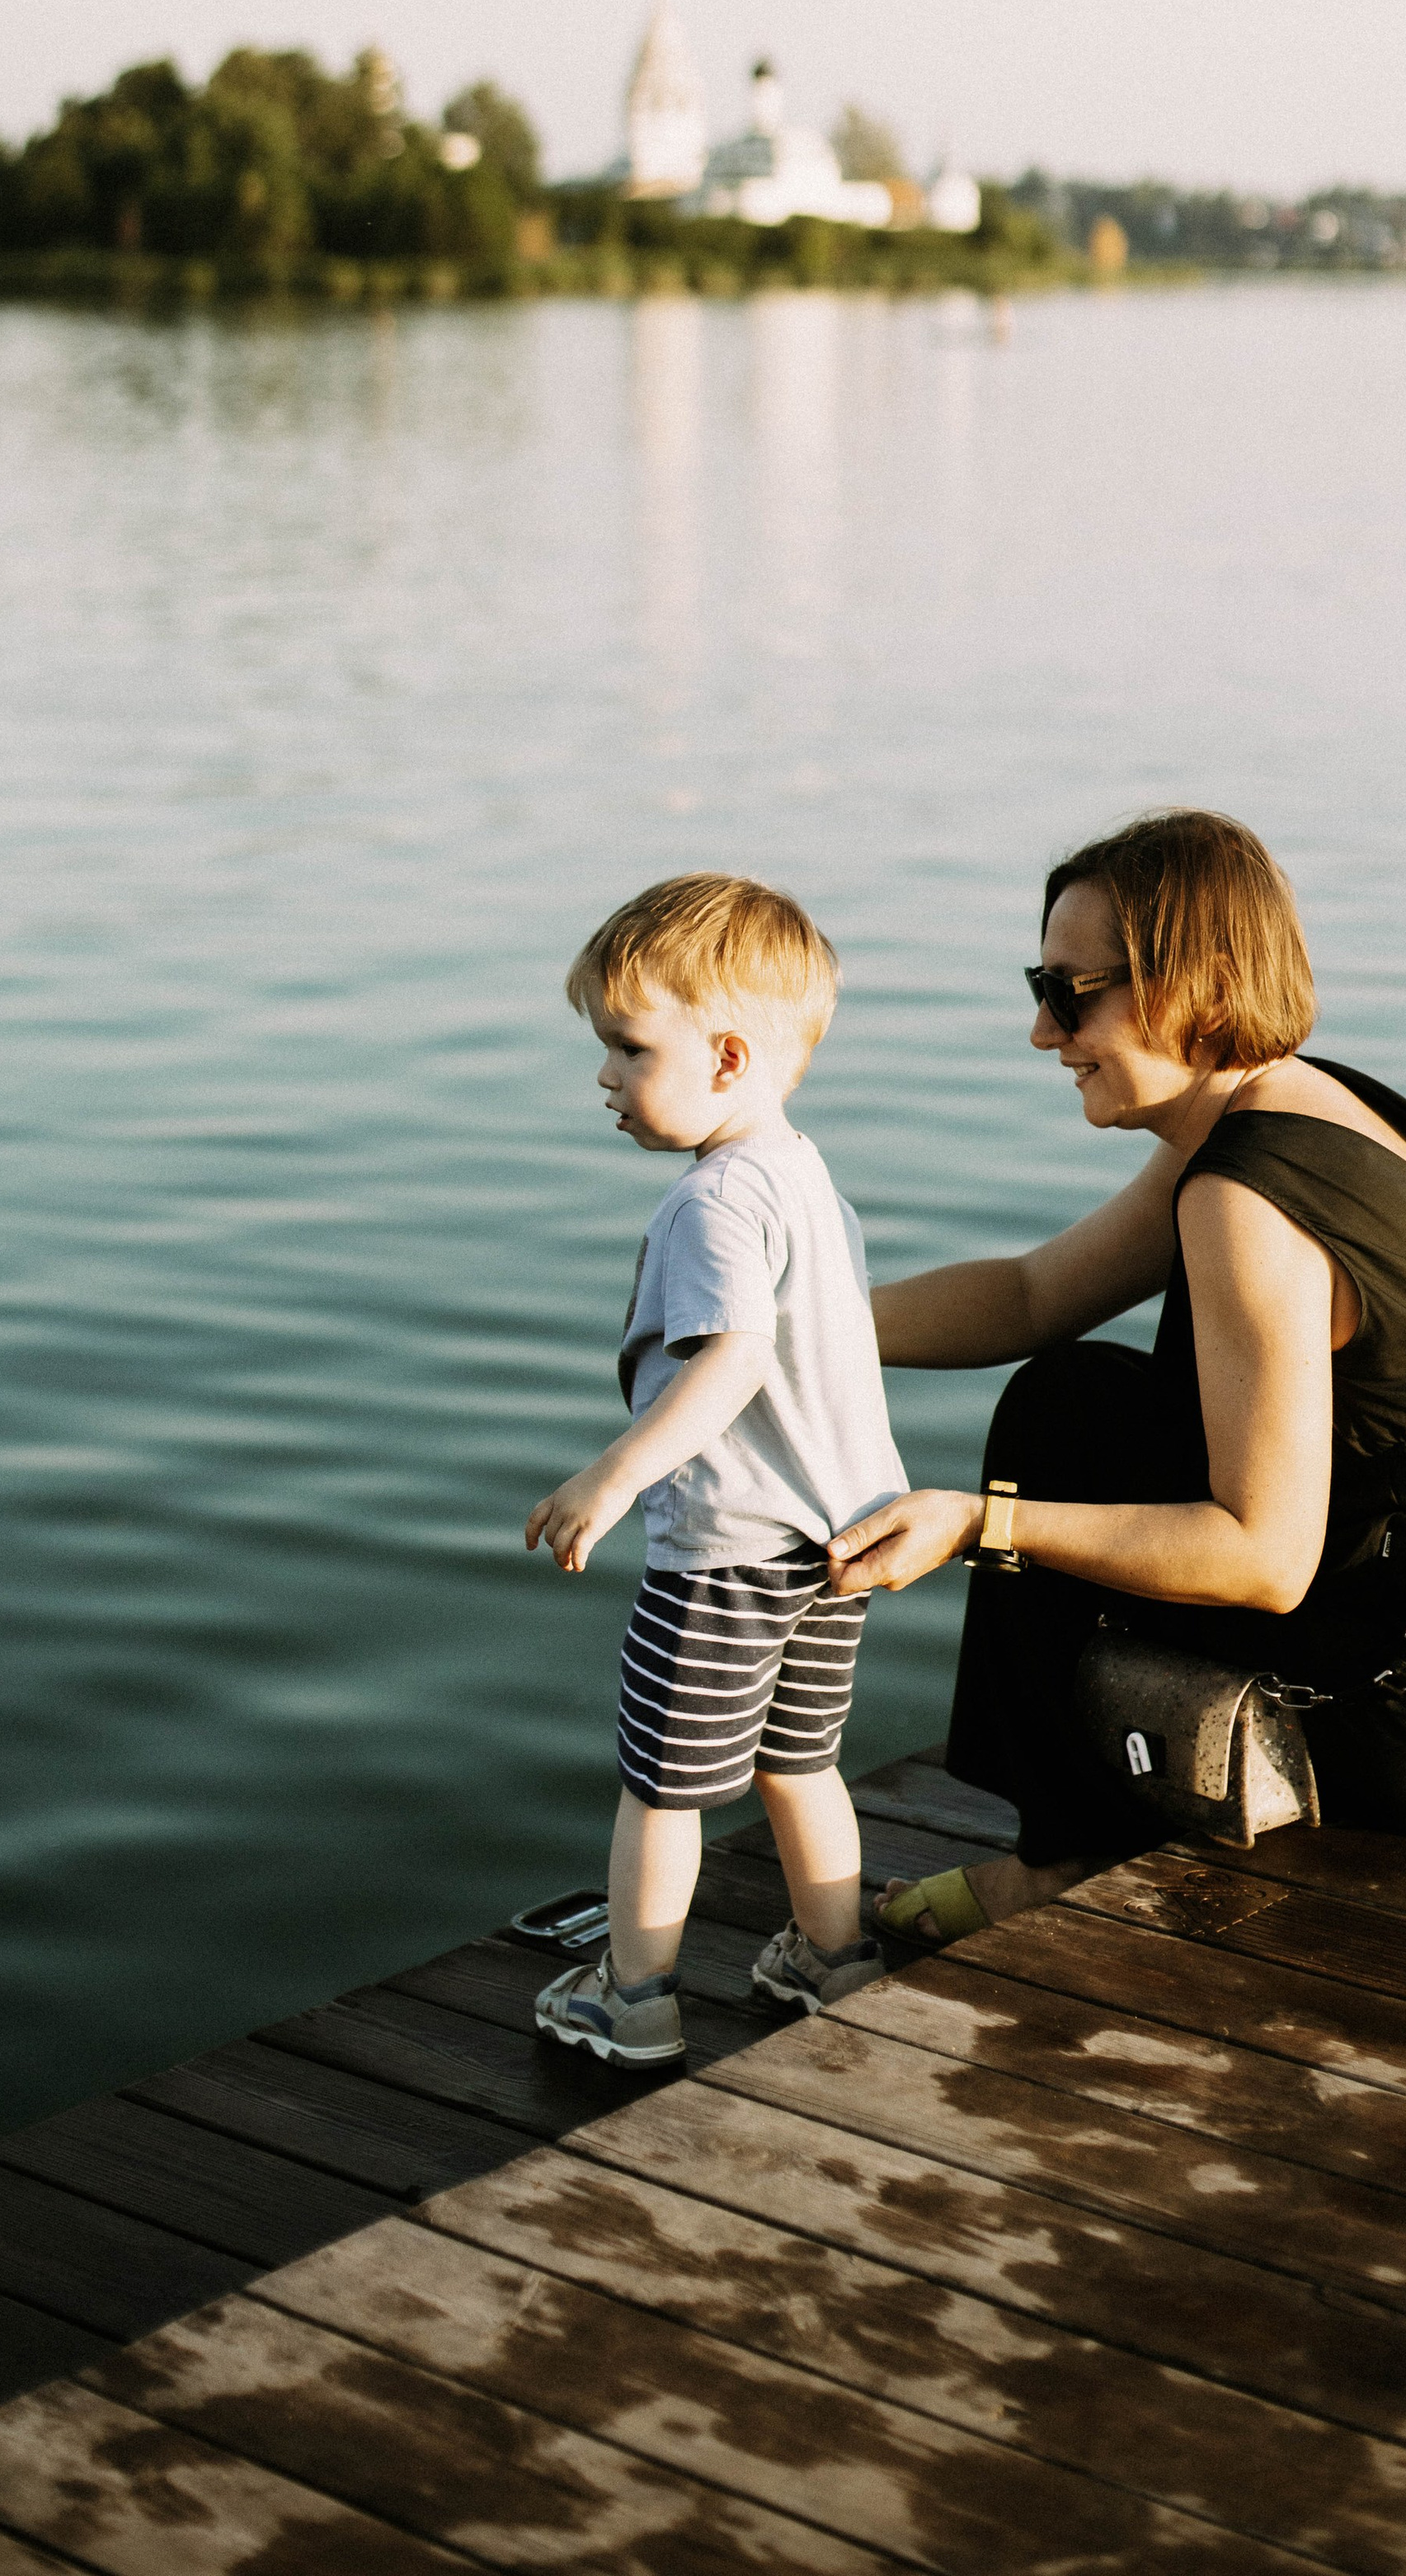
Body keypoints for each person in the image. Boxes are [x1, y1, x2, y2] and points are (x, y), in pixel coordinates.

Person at [827, 809, 1406, 1950]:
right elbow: (1029, 1295)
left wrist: (978, 1524)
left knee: (1054, 1432)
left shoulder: (1245, 1201)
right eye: (1040, 984)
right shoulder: (1306, 1105)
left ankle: (1051, 1863)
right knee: (1077, 1390)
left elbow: (1262, 1558)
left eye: (1071, 992)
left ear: (1195, 984)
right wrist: (789, 1334)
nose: (1040, 1030)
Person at [527, 873, 903, 2065]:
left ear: (728, 1057)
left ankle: (630, 1996)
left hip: (730, 1551)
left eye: (629, 1049)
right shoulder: (808, 1178)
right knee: (802, 1764)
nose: (605, 1078)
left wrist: (615, 1476)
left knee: (663, 1786)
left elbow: (733, 1364)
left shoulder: (712, 1202)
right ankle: (833, 1958)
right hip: (835, 1538)